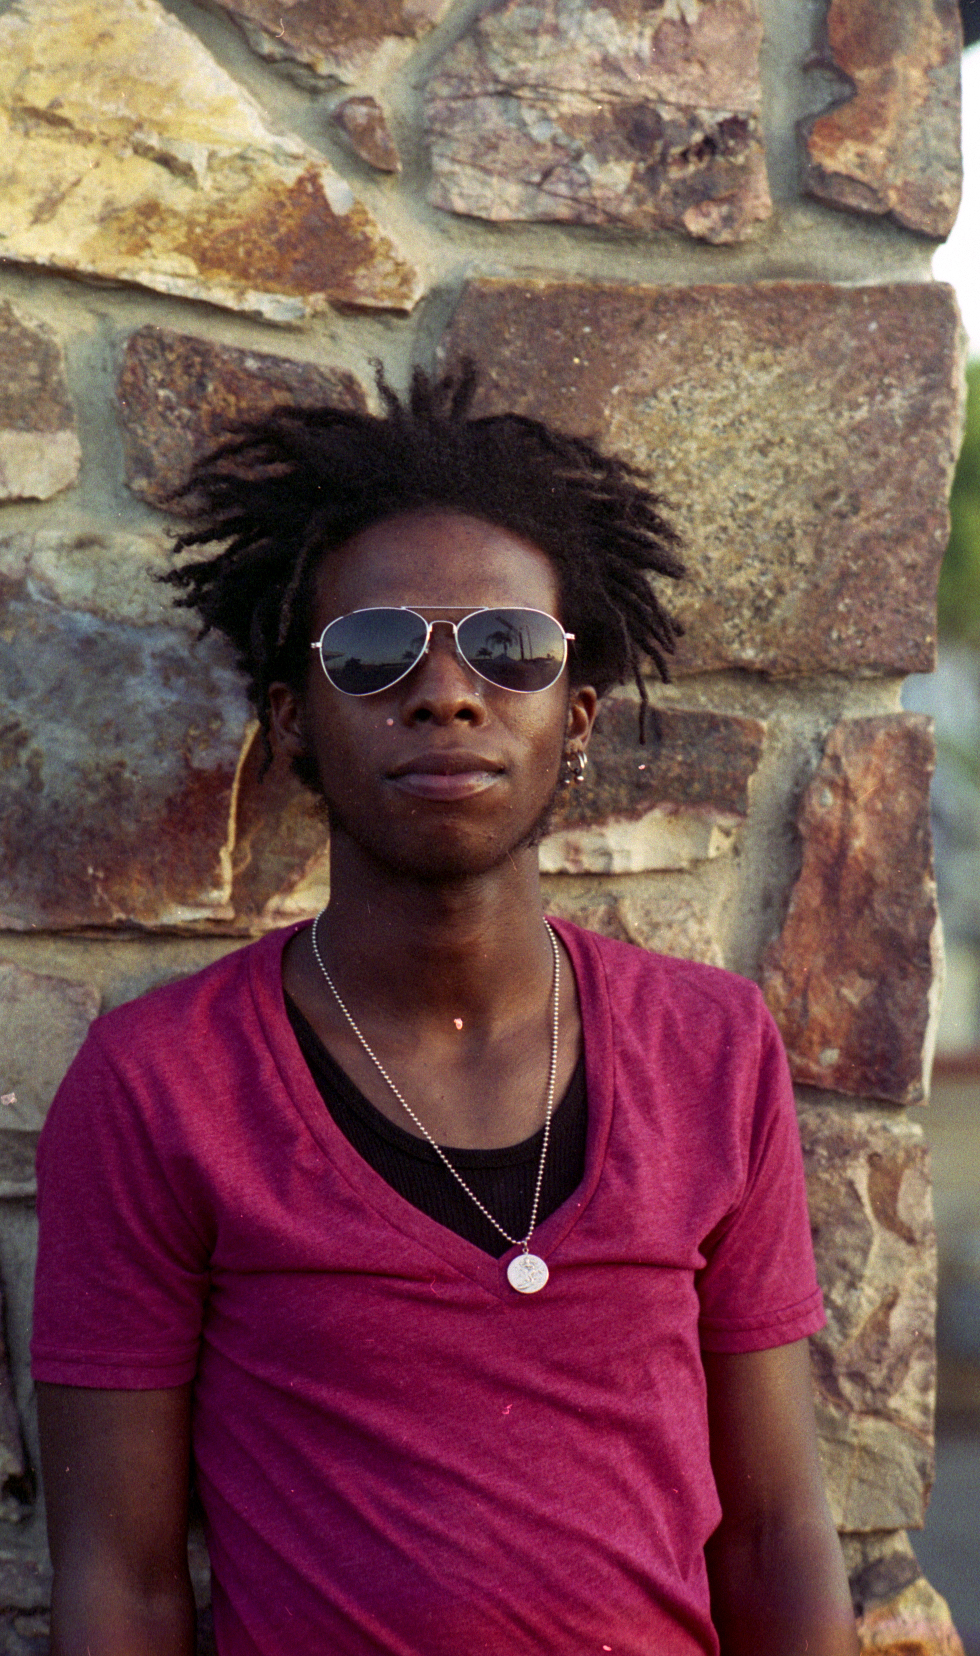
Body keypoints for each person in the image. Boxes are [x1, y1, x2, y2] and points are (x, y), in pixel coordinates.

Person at [32, 364, 858, 1656]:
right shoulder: (159, 1087)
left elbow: (775, 1536)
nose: (446, 691)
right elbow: (123, 1587)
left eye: (507, 650)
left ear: (575, 715)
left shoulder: (713, 1050)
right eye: (373, 653)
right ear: (293, 720)